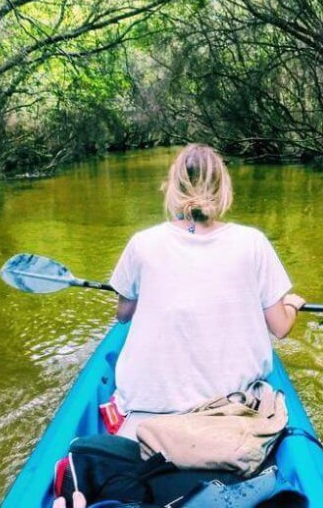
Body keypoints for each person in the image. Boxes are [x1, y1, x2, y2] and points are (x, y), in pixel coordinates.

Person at [109, 143, 306, 439]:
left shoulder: (142, 243)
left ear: (173, 187)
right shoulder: (253, 243)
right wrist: (291, 305)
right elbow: (280, 327)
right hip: (230, 409)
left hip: (148, 408)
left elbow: (123, 315)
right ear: (222, 187)